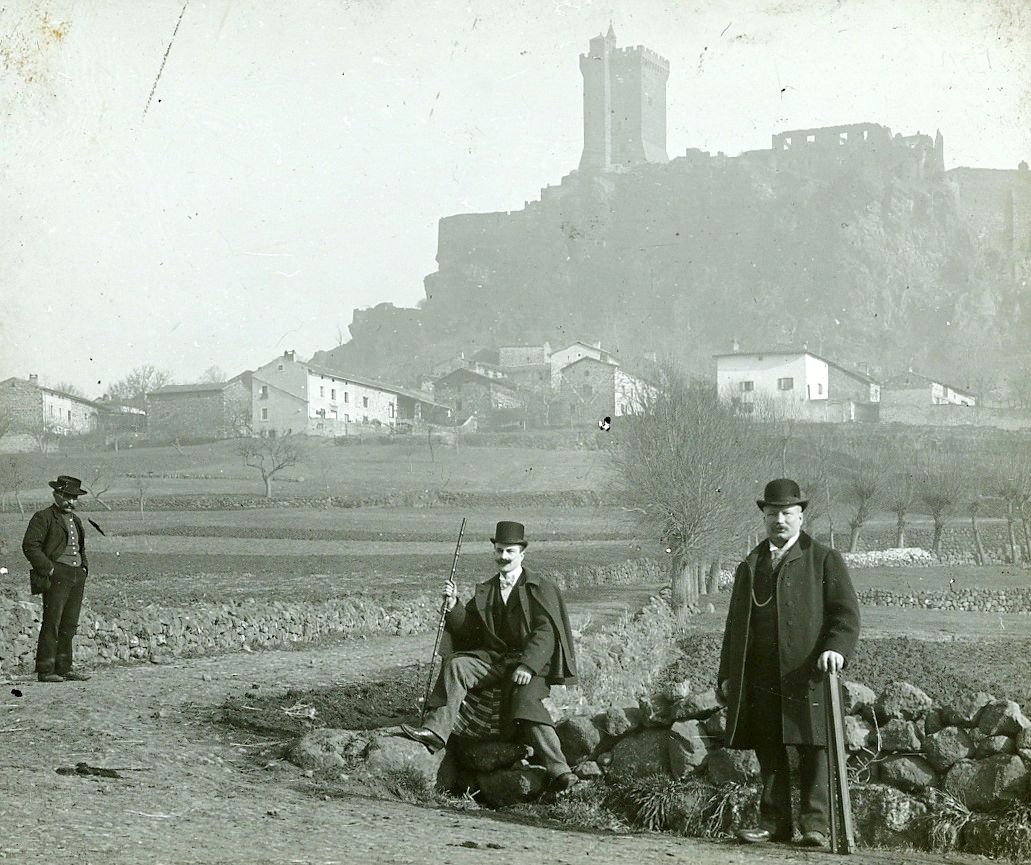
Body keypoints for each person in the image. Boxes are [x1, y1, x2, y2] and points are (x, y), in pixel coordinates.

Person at [717, 478, 859, 848]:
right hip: (761, 675)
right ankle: (774, 824)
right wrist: (728, 676)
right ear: (763, 518)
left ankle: (816, 826)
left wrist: (836, 649)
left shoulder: (824, 558)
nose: (779, 521)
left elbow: (845, 615)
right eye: (772, 514)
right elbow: (734, 627)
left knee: (815, 746)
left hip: (808, 672)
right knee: (769, 746)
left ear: (800, 517)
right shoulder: (750, 565)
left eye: (787, 513)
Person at [400, 520, 579, 792]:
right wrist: (454, 606)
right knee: (457, 665)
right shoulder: (487, 589)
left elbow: (545, 634)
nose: (503, 557)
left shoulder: (537, 588)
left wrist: (528, 666)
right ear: (494, 551)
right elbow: (470, 631)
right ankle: (436, 732)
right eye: (499, 551)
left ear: (522, 554)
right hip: (494, 661)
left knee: (526, 703)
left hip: (528, 665)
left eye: (510, 551)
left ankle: (560, 770)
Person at [22, 475, 93, 683]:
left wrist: (84, 568)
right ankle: (45, 670)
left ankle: (64, 668)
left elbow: (80, 548)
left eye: (75, 498)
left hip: (77, 575)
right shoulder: (43, 517)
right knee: (52, 622)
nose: (71, 502)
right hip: (57, 575)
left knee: (69, 624)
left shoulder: (76, 520)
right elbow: (30, 545)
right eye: (67, 496)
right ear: (56, 495)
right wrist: (50, 569)